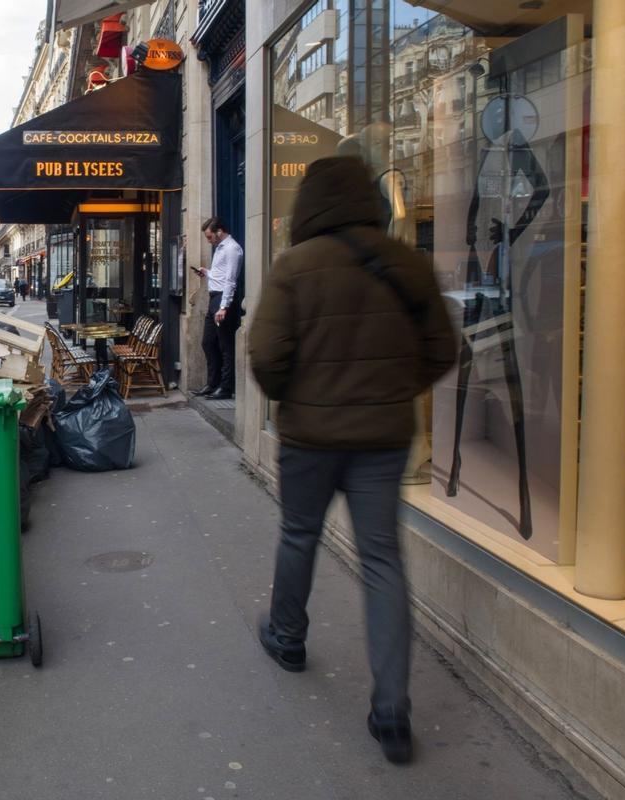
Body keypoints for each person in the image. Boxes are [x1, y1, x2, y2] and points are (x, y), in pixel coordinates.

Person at [248, 157, 456, 765]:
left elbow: (264, 355)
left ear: (307, 206)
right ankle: (392, 707)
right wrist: (394, 391)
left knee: (298, 535)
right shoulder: (404, 262)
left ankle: (288, 637)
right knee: (383, 561)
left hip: (310, 438)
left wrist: (298, 394)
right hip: (384, 439)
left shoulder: (295, 267)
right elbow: (444, 348)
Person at [193, 217, 242, 400]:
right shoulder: (221, 248)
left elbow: (230, 280)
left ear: (219, 231)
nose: (209, 240)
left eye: (209, 236)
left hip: (223, 300)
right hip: (214, 299)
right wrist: (207, 273)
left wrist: (224, 306)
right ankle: (212, 383)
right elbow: (221, 275)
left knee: (225, 345)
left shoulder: (232, 249)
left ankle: (226, 387)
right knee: (208, 342)